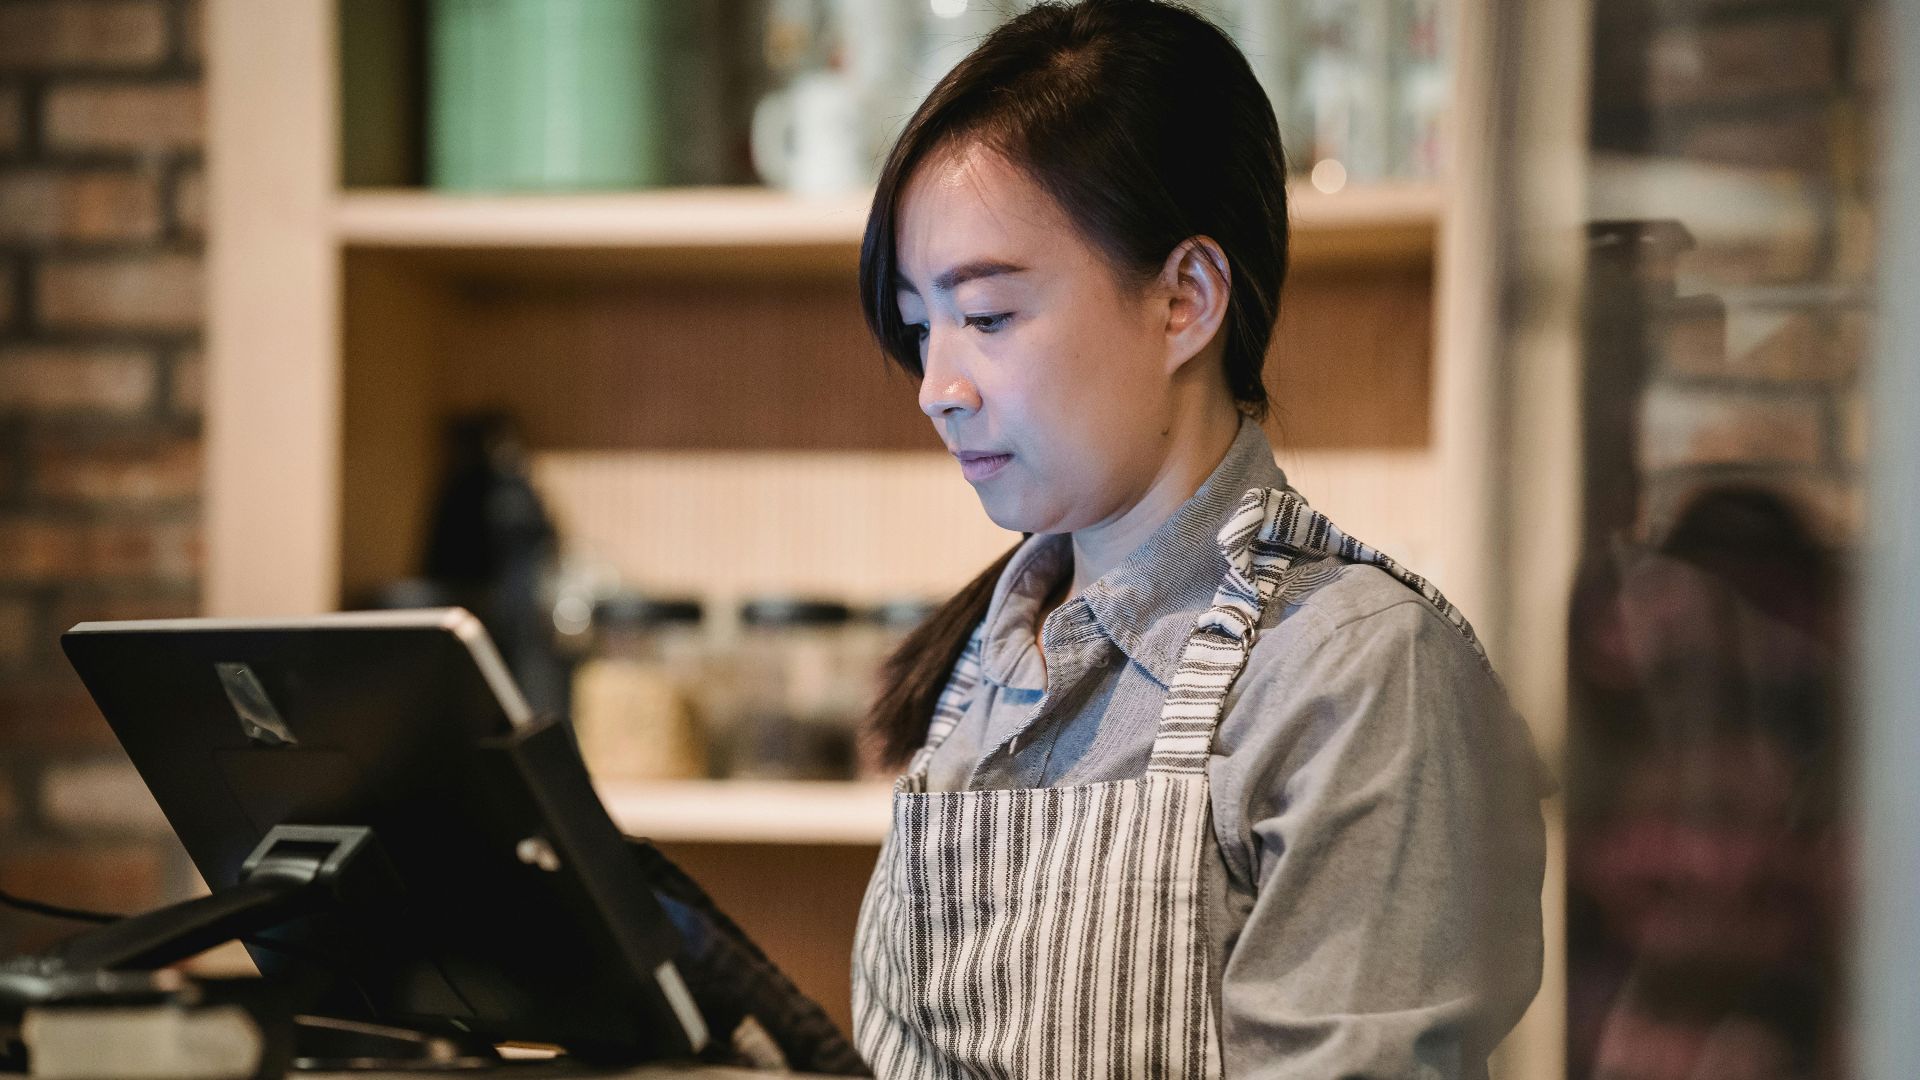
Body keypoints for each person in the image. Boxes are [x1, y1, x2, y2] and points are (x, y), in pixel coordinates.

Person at [847, 1, 1551, 1077]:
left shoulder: (1357, 674)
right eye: (917, 324)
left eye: (986, 316)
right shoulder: (980, 670)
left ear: (1185, 298)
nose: (938, 388)